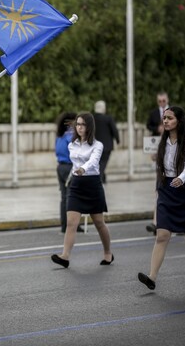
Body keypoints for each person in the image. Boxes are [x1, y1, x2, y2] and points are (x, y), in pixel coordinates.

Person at [137, 106, 185, 291]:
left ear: (179, 120)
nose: (165, 121)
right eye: (164, 118)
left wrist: (181, 178)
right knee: (162, 235)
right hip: (166, 189)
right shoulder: (163, 141)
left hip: (184, 190)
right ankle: (152, 277)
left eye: (169, 118)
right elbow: (162, 166)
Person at [51, 113, 113, 269]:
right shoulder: (72, 144)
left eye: (83, 124)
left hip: (92, 184)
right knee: (71, 223)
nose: (79, 127)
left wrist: (82, 169)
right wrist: (73, 174)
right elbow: (74, 162)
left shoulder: (97, 145)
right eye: (77, 124)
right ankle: (65, 256)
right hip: (76, 185)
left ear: (89, 126)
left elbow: (93, 162)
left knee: (99, 223)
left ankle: (108, 253)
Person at [145, 92, 170, 235]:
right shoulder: (158, 138)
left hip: (175, 171)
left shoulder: (175, 138)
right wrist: (155, 156)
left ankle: (165, 222)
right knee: (159, 192)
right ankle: (156, 222)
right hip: (162, 169)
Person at [55, 112, 78, 233]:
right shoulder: (71, 135)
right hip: (70, 167)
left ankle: (64, 226)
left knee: (64, 197)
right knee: (73, 197)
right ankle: (73, 225)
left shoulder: (60, 135)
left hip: (60, 167)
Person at [93, 100, 119, 184]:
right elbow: (114, 130)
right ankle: (99, 180)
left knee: (98, 163)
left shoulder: (92, 119)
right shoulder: (108, 118)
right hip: (106, 147)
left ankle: (103, 178)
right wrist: (118, 140)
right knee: (103, 163)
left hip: (94, 146)